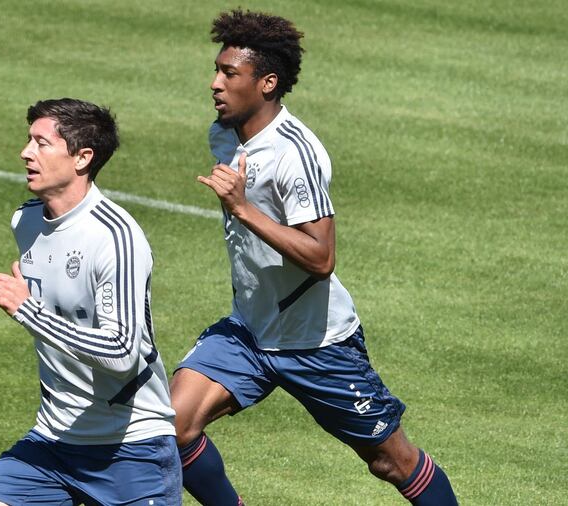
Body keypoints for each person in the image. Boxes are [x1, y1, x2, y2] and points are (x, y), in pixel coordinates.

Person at [171, 10, 458, 505]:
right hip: (251, 330)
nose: (214, 83)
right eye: (216, 69)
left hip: (316, 342)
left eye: (229, 73)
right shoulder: (225, 134)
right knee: (171, 429)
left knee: (392, 461)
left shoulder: (294, 153)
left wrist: (242, 209)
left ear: (267, 83)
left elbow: (321, 257)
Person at [0, 98, 181, 506]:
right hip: (52, 442)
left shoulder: (115, 238)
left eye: (41, 143)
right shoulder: (26, 221)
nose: (25, 152)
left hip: (130, 448)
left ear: (83, 157)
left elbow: (122, 351)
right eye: (28, 140)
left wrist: (28, 311)